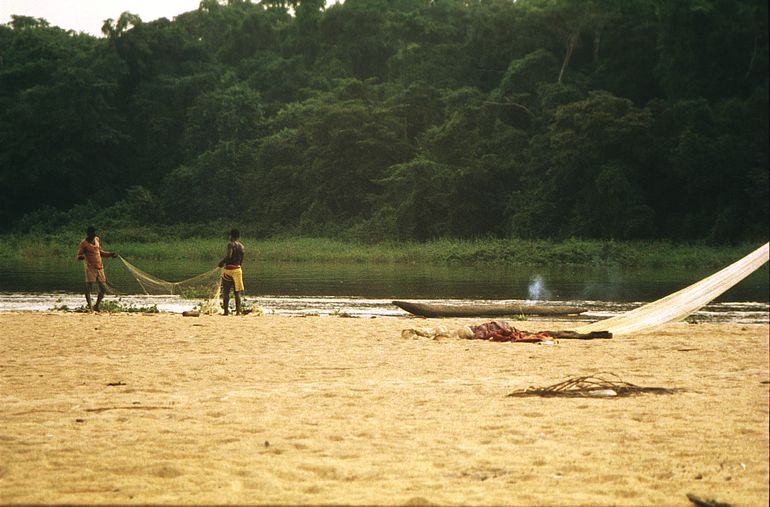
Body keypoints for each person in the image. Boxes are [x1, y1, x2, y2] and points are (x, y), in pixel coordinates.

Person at [75, 226, 117, 312]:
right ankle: (90, 307)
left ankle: (96, 306)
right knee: (88, 288)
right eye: (91, 234)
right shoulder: (84, 243)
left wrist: (110, 254)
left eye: (94, 233)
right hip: (90, 268)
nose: (93, 235)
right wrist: (81, 257)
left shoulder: (97, 239)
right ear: (88, 234)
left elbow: (100, 252)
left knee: (103, 289)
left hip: (100, 267)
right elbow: (78, 255)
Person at [218, 228, 245, 315]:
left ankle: (226, 312)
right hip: (237, 270)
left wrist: (221, 262)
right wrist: (238, 266)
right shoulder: (242, 246)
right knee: (237, 293)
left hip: (228, 270)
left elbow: (229, 256)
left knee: (226, 291)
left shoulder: (230, 244)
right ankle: (238, 312)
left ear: (231, 236)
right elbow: (241, 261)